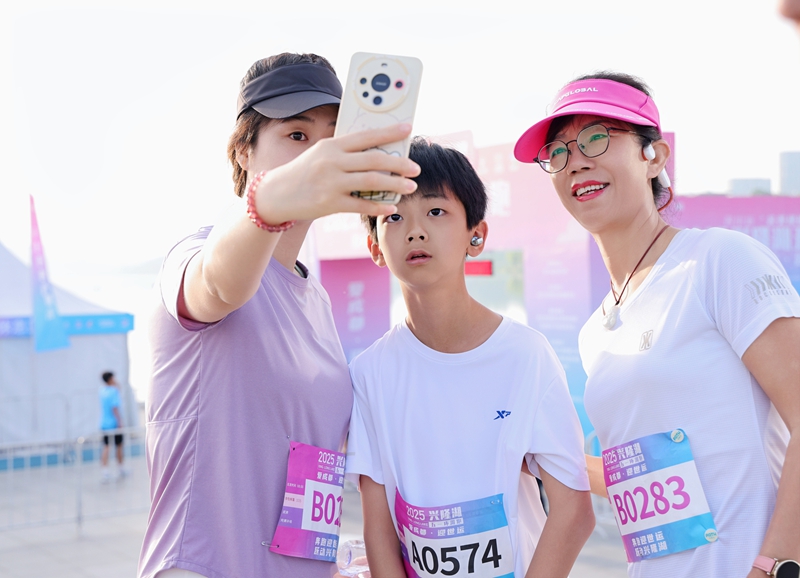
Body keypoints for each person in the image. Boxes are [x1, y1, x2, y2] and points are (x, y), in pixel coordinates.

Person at [137, 53, 420, 578]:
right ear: (243, 151)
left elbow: (312, 467)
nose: (319, 155)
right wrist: (268, 204)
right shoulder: (196, 256)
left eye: (332, 138)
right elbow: (217, 285)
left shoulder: (316, 300)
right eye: (297, 135)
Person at [514, 73, 800, 578]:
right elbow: (650, 482)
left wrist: (774, 565)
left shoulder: (718, 260)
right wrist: (530, 452)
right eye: (557, 152)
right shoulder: (595, 333)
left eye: (597, 137)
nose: (575, 160)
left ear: (654, 156)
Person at [345, 138, 595, 578]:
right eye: (394, 217)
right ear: (375, 247)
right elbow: (378, 528)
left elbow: (573, 510)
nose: (415, 230)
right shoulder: (369, 374)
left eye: (436, 211)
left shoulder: (525, 356)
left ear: (475, 235)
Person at [99, 370, 125, 482]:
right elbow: (114, 408)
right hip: (114, 423)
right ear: (110, 379)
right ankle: (120, 468)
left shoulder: (101, 391)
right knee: (119, 446)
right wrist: (120, 422)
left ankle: (105, 471)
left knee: (106, 447)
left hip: (104, 423)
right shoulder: (114, 391)